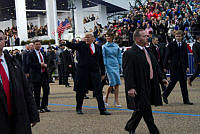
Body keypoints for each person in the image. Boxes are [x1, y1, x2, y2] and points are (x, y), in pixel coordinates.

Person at [123, 29, 168, 134]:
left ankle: (130, 126)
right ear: (138, 39)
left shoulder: (148, 50)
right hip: (139, 86)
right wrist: (131, 87)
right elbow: (128, 72)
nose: (147, 38)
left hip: (150, 84)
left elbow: (155, 66)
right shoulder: (130, 53)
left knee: (141, 108)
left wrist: (162, 78)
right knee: (146, 109)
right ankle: (154, 131)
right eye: (145, 36)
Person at [0, 30, 40, 133]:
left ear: (4, 41)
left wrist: (33, 113)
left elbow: (26, 90)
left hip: (17, 117)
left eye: (0, 39)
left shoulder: (14, 63)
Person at [63, 32, 111, 115]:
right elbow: (73, 45)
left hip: (95, 72)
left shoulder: (98, 47)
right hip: (83, 72)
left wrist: (103, 73)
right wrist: (66, 42)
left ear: (93, 38)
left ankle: (102, 110)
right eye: (85, 37)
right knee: (81, 91)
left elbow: (101, 61)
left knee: (98, 91)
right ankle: (79, 108)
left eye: (88, 37)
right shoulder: (81, 45)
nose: (87, 39)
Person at [162, 30, 193, 105]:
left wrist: (187, 66)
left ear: (182, 36)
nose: (178, 38)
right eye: (176, 36)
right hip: (174, 67)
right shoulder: (171, 44)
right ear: (175, 36)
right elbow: (167, 56)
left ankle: (186, 100)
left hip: (182, 67)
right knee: (172, 83)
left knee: (183, 84)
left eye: (179, 36)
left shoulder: (184, 44)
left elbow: (185, 57)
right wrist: (165, 66)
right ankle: (165, 95)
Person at [29, 40, 51, 113]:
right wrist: (40, 65)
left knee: (46, 91)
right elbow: (30, 64)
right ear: (34, 45)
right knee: (37, 92)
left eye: (39, 44)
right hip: (36, 75)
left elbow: (47, 61)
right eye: (36, 44)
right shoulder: (31, 54)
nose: (38, 45)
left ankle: (44, 106)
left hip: (44, 75)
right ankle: (37, 107)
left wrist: (46, 65)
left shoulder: (43, 53)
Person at [102, 31, 122, 107]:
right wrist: (105, 65)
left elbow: (119, 56)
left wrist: (120, 64)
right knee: (112, 83)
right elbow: (103, 56)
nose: (107, 37)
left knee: (117, 83)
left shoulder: (116, 46)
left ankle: (116, 100)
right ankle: (105, 98)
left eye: (109, 36)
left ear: (112, 37)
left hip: (116, 65)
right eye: (106, 36)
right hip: (108, 66)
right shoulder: (104, 46)